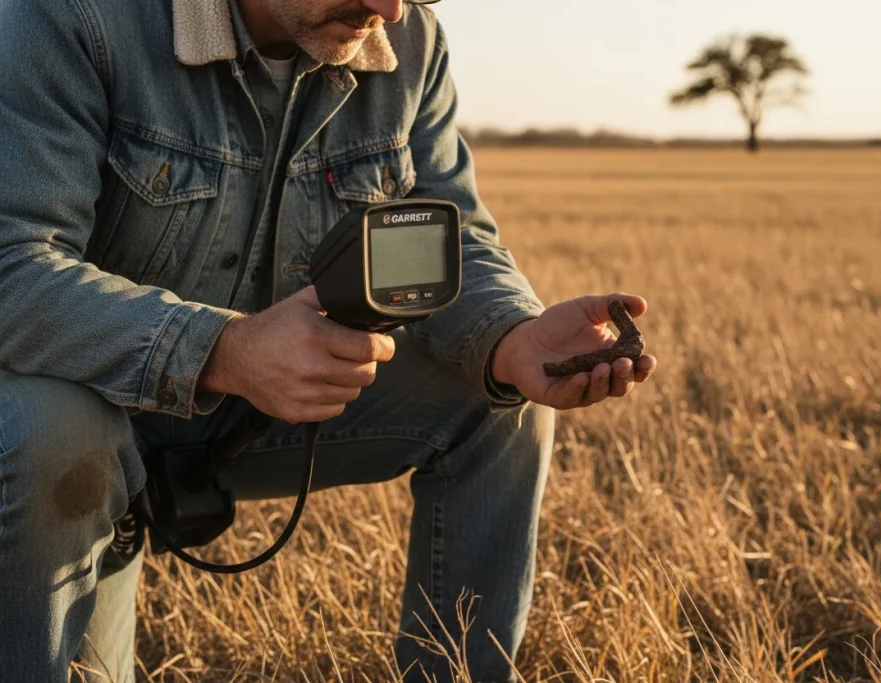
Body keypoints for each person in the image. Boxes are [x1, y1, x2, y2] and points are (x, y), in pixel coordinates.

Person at [0, 0, 657, 681]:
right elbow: (12, 266)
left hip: (243, 418)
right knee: (58, 438)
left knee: (504, 398)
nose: (389, 7)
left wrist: (510, 337)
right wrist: (225, 348)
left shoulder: (407, 40)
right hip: (82, 421)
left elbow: (449, 231)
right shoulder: (70, 17)